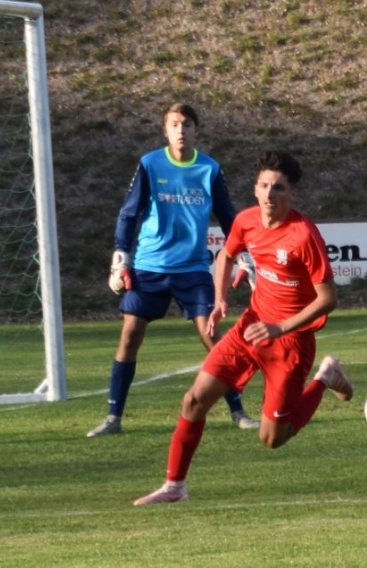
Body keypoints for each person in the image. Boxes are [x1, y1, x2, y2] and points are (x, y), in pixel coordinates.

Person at [133, 150, 353, 505]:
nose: (269, 194)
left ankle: (325, 377)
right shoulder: (246, 221)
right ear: (255, 188)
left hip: (291, 342)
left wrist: (280, 328)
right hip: (250, 328)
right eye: (264, 186)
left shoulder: (303, 236)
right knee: (194, 399)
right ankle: (175, 485)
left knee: (272, 438)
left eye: (278, 188)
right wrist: (219, 299)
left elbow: (328, 299)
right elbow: (226, 255)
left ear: (291, 193)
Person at [87, 103, 259, 438]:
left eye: (187, 124)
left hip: (192, 269)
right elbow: (129, 213)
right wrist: (120, 256)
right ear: (165, 130)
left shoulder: (209, 168)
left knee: (212, 336)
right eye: (175, 124)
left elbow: (229, 218)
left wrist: (243, 256)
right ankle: (113, 418)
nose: (181, 130)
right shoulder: (150, 164)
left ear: (196, 130)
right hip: (149, 266)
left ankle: (238, 412)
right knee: (130, 335)